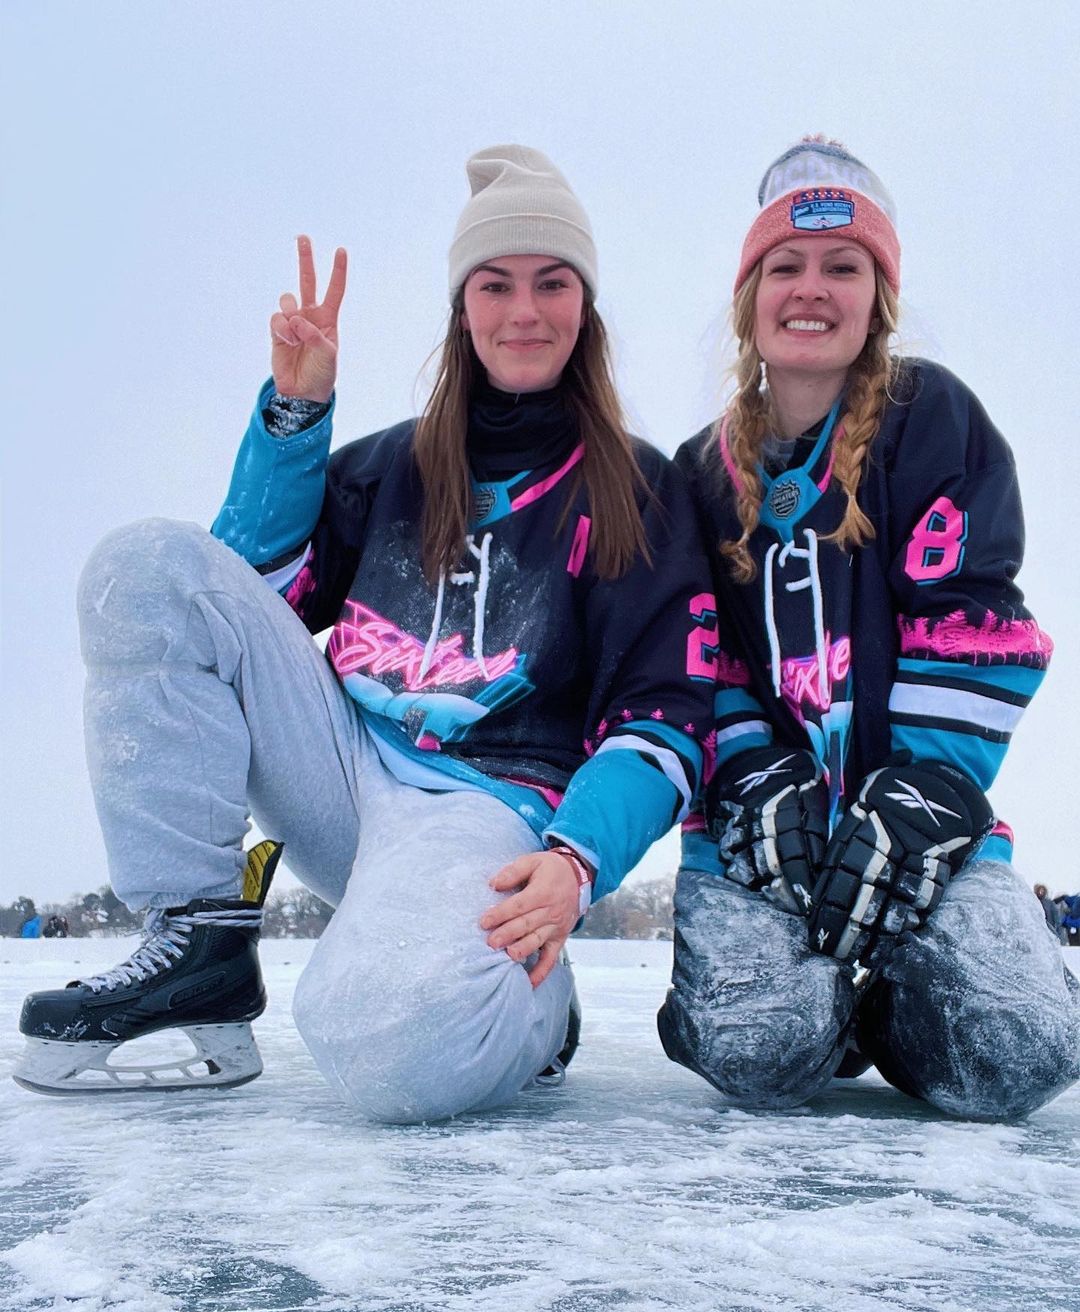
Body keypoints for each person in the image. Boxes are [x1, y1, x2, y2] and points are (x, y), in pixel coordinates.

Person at [16, 146, 715, 1120]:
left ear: (584, 307)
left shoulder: (638, 494)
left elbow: (666, 718)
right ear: (461, 307)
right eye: (495, 283)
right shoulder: (388, 467)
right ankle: (201, 939)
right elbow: (236, 602)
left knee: (384, 1042)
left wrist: (576, 860)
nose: (524, 311)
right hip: (342, 775)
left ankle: (533, 1002)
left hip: (493, 819)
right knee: (145, 571)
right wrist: (294, 418)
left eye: (552, 284)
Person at [657, 136, 1080, 1122]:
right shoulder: (695, 473)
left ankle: (890, 1001)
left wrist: (926, 790)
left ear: (877, 296)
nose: (813, 289)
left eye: (843, 266)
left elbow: (976, 617)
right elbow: (686, 658)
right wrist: (749, 774)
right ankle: (772, 1006)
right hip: (754, 843)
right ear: (750, 295)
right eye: (787, 267)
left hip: (921, 842)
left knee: (1018, 1057)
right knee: (759, 1054)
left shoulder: (933, 419)